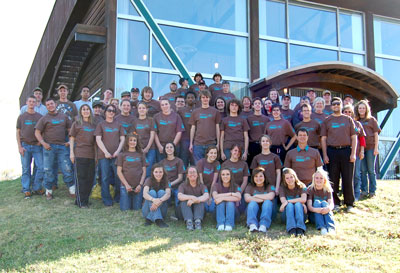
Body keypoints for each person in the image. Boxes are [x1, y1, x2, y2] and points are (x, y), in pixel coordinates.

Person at [321, 97, 357, 212]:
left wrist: (353, 153)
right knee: (333, 178)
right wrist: (325, 155)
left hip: (346, 150)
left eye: (338, 104)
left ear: (341, 105)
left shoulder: (348, 119)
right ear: (331, 106)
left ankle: (349, 203)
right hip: (332, 152)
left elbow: (354, 137)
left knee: (348, 177)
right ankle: (335, 203)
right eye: (334, 104)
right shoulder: (327, 120)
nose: (336, 106)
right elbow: (323, 139)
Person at [34, 98, 74, 200]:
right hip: (49, 147)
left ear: (55, 104)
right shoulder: (44, 118)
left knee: (67, 168)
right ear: (46, 107)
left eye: (51, 104)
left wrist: (69, 141)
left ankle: (72, 190)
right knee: (48, 170)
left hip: (62, 147)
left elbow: (71, 130)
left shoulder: (64, 117)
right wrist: (43, 143)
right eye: (47, 105)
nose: (50, 106)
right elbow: (37, 132)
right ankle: (49, 192)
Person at [95, 104, 125, 206]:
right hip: (103, 156)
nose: (111, 112)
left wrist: (118, 151)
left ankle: (117, 197)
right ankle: (106, 199)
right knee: (105, 177)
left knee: (118, 177)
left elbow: (123, 139)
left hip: (116, 156)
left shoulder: (118, 124)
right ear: (105, 112)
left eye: (113, 111)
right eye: (109, 110)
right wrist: (106, 152)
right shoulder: (101, 124)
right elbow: (98, 139)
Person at [17, 95, 44, 198]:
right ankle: (26, 189)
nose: (32, 103)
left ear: (36, 103)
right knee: (25, 169)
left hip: (37, 146)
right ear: (27, 103)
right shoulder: (22, 117)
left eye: (34, 101)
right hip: (25, 146)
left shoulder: (39, 117)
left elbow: (43, 131)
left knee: (40, 167)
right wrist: (20, 146)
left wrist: (40, 142)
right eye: (30, 101)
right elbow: (18, 132)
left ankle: (36, 187)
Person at [69, 104, 96, 208]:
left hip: (91, 155)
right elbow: (71, 138)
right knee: (81, 179)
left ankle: (85, 199)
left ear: (90, 111)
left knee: (89, 179)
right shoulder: (76, 124)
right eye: (84, 109)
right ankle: (81, 202)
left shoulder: (93, 125)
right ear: (81, 112)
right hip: (80, 154)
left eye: (87, 109)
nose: (86, 111)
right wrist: (71, 153)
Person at [354, 100, 381, 198]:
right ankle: (364, 190)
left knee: (370, 170)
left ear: (366, 109)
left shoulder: (372, 120)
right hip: (360, 148)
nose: (361, 110)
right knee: (363, 170)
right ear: (357, 109)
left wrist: (376, 147)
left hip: (370, 147)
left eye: (363, 108)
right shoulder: (356, 121)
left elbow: (376, 134)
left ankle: (372, 191)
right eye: (360, 108)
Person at [189, 90, 221, 163]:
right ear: (200, 99)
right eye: (203, 97)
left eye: (207, 97)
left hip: (211, 143)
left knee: (210, 167)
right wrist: (191, 143)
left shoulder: (215, 111)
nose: (205, 99)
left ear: (209, 98)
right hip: (198, 144)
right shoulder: (195, 112)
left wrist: (218, 143)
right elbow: (193, 128)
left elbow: (217, 128)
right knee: (199, 167)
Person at [117, 133, 147, 211]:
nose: (132, 142)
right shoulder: (122, 154)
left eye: (134, 140)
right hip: (125, 187)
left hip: (138, 187)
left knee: (137, 209)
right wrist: (126, 185)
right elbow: (119, 172)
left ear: (137, 142)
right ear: (127, 142)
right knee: (125, 210)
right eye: (130, 140)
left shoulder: (141, 154)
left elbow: (144, 171)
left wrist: (140, 185)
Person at [343, 104, 366, 202]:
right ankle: (346, 195)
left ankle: (356, 194)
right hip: (344, 153)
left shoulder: (357, 124)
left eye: (350, 112)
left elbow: (362, 138)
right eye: (346, 112)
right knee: (346, 176)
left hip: (355, 153)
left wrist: (362, 151)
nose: (348, 114)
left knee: (356, 174)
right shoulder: (341, 124)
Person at [245, 167, 276, 233]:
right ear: (253, 178)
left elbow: (271, 196)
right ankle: (252, 225)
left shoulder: (269, 186)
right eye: (256, 176)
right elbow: (247, 198)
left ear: (265, 177)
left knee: (267, 202)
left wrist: (256, 196)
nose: (258, 178)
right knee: (252, 203)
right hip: (253, 213)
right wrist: (263, 199)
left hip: (267, 213)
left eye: (261, 176)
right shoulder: (250, 186)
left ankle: (263, 225)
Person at [177, 166, 209, 230]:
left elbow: (206, 196)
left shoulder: (202, 186)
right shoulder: (182, 185)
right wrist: (192, 197)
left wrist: (195, 200)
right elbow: (179, 196)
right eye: (190, 172)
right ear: (187, 176)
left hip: (198, 211)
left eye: (194, 172)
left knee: (200, 201)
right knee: (184, 201)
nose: (192, 174)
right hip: (184, 210)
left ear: (197, 175)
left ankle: (198, 222)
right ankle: (189, 222)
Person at [221, 145, 250, 213]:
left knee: (241, 208)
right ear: (231, 151)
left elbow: (245, 181)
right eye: (235, 150)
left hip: (240, 190)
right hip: (228, 190)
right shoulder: (225, 164)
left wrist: (239, 193)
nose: (237, 153)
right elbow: (222, 179)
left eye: (239, 151)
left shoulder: (244, 164)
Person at [279, 168, 307, 236]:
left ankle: (300, 228)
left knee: (297, 204)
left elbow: (303, 199)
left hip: (300, 214)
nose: (290, 180)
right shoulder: (282, 187)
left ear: (295, 177)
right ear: (284, 179)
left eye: (291, 177)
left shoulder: (301, 186)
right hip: (287, 215)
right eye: (287, 178)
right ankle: (291, 228)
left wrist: (288, 201)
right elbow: (283, 201)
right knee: (290, 205)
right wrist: (299, 201)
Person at [307, 169, 336, 235]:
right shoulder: (310, 189)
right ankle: (322, 228)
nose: (319, 180)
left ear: (324, 180)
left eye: (321, 178)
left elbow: (331, 204)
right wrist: (318, 210)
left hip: (325, 213)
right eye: (317, 178)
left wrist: (327, 209)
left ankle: (330, 227)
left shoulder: (328, 189)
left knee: (324, 203)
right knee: (317, 202)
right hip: (314, 215)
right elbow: (309, 207)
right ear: (313, 179)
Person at [132, 102, 156, 177]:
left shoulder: (151, 120)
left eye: (143, 108)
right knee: (139, 169)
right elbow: (133, 136)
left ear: (147, 110)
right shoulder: (135, 121)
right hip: (138, 149)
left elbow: (152, 134)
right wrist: (139, 148)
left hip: (150, 148)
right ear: (137, 110)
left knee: (148, 169)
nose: (141, 110)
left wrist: (147, 148)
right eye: (140, 108)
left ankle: (146, 187)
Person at [160, 143, 185, 208]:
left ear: (174, 149)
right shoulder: (162, 162)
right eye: (167, 147)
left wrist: (170, 184)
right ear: (165, 150)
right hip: (166, 187)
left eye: (171, 147)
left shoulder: (179, 161)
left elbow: (180, 178)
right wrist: (167, 185)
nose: (169, 149)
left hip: (177, 186)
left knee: (178, 205)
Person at [196, 145, 220, 212]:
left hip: (212, 189)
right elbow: (201, 182)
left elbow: (214, 182)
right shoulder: (201, 162)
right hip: (202, 188)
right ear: (207, 154)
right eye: (211, 153)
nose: (213, 155)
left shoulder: (217, 163)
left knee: (211, 209)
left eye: (215, 153)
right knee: (206, 208)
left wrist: (210, 196)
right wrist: (206, 196)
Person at [246, 98, 270, 165]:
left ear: (262, 105)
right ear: (252, 106)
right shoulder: (249, 119)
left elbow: (269, 133)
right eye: (255, 103)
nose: (257, 105)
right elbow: (246, 134)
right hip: (253, 145)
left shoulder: (267, 119)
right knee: (253, 165)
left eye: (259, 103)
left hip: (264, 145)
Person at [177, 91, 197, 168]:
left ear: (195, 99)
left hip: (196, 140)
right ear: (185, 100)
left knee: (194, 162)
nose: (190, 99)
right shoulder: (181, 111)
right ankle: (184, 179)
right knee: (184, 161)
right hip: (184, 140)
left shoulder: (198, 111)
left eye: (192, 98)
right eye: (188, 98)